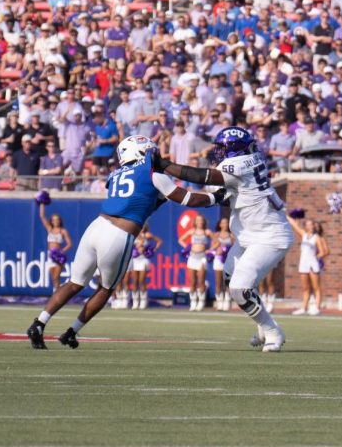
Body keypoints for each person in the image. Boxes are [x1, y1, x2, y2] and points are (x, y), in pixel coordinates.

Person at [24, 134, 223, 350]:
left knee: (74, 283)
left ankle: (39, 323)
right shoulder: (154, 175)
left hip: (96, 226)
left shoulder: (115, 174)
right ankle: (72, 331)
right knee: (106, 289)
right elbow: (188, 199)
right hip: (118, 234)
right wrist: (218, 197)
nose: (155, 156)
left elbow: (138, 201)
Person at [154, 127, 294, 352]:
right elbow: (205, 199)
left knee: (240, 289)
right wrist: (170, 191)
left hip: (269, 237)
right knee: (231, 280)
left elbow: (202, 176)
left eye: (222, 148)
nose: (217, 152)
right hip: (251, 236)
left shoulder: (239, 165)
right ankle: (263, 325)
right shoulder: (246, 166)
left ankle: (272, 330)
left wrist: (165, 165)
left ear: (234, 150)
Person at [288, 215, 327, 316]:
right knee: (305, 288)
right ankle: (304, 308)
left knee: (316, 287)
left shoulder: (317, 237)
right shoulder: (304, 234)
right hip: (303, 264)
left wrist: (314, 258)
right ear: (306, 226)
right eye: (309, 225)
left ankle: (317, 308)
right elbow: (294, 225)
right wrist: (284, 212)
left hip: (312, 264)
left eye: (312, 225)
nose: (311, 226)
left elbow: (322, 252)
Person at [38, 198, 73, 297]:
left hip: (58, 255)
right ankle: (57, 292)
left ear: (59, 221)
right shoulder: (50, 229)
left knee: (57, 276)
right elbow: (42, 216)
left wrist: (62, 251)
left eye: (57, 220)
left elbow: (70, 243)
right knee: (53, 277)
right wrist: (42, 202)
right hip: (50, 255)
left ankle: (56, 295)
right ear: (52, 221)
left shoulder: (63, 231)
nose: (55, 221)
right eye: (53, 220)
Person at [184, 213, 211, 311]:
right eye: (197, 220)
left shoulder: (206, 232)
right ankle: (193, 302)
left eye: (201, 220)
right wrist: (187, 248)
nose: (199, 222)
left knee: (201, 281)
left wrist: (210, 249)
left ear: (203, 222)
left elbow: (216, 240)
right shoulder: (192, 231)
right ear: (195, 222)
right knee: (192, 282)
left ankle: (201, 302)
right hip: (192, 257)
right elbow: (181, 240)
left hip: (202, 258)